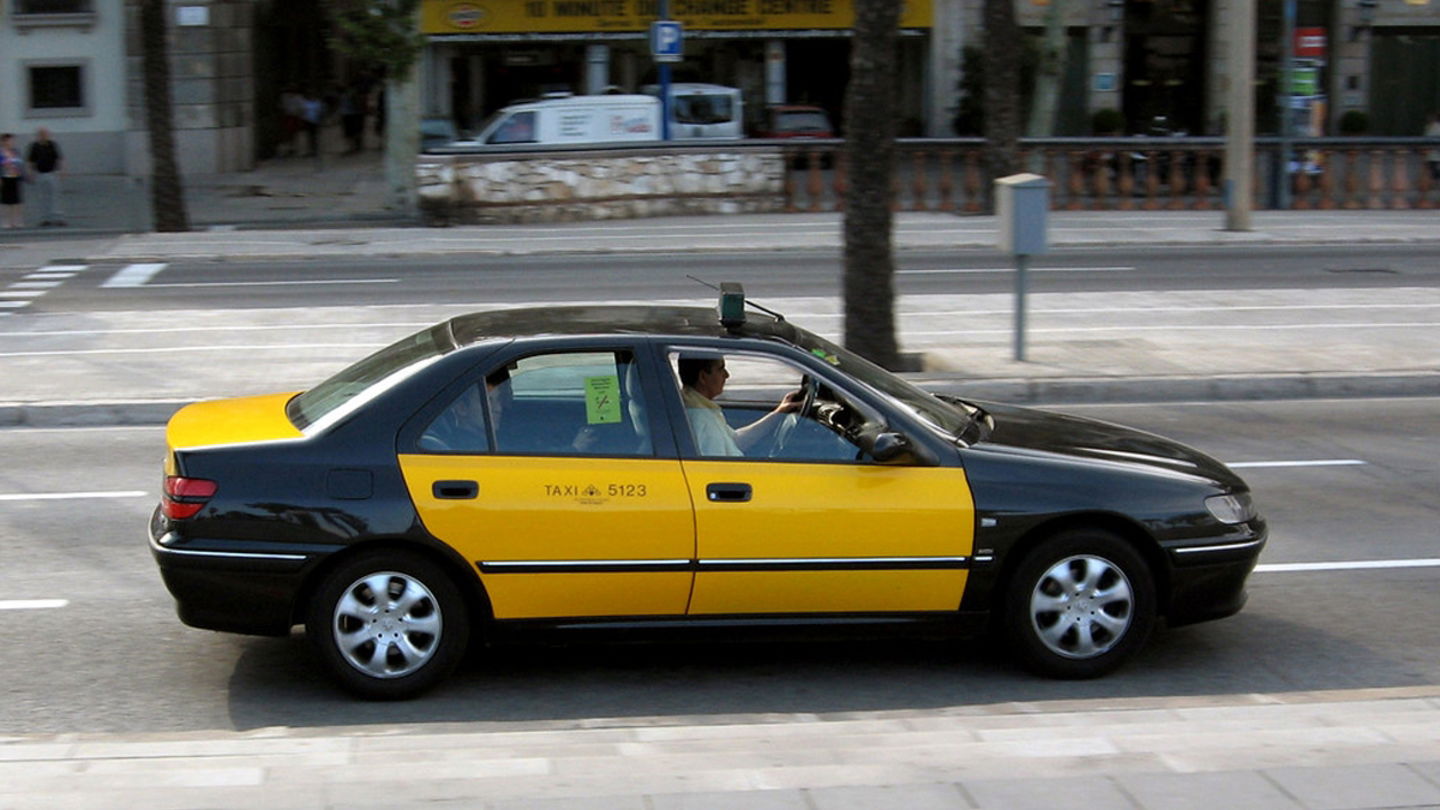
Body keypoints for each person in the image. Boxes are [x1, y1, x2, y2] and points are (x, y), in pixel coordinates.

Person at [678, 355, 801, 457]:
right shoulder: (699, 418)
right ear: (703, 377)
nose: (727, 375)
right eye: (721, 369)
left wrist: (778, 413)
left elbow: (734, 441)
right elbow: (717, 469)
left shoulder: (698, 406)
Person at [26, 128, 64, 226]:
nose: (44, 136)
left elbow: (59, 158)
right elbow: (31, 161)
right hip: (39, 174)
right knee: (42, 197)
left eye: (46, 134)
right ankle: (44, 219)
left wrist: (61, 171)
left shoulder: (53, 145)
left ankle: (57, 218)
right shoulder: (34, 146)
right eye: (42, 134)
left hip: (52, 173)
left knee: (55, 196)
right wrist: (31, 173)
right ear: (38, 136)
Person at [0, 133, 26, 229]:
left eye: (12, 140)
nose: (11, 142)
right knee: (6, 201)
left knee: (17, 201)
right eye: (9, 140)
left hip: (15, 178)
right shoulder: (1, 153)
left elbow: (20, 164)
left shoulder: (16, 152)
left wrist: (22, 175)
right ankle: (6, 221)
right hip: (5, 178)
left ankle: (16, 220)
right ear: (4, 141)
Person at [1426, 112, 1440, 182]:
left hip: (1432, 155)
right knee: (1435, 172)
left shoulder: (1433, 127)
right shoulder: (1436, 127)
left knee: (1434, 172)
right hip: (1435, 156)